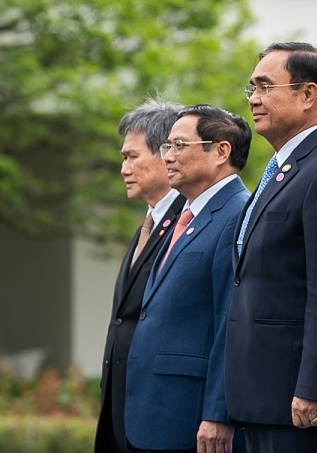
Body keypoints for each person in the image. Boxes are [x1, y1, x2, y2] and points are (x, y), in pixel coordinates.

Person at [226, 42, 317, 453]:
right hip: (256, 393)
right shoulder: (280, 169)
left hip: (291, 398)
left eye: (266, 87)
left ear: (308, 95)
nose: (254, 99)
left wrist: (310, 386)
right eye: (251, 88)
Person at [125, 105, 251, 452]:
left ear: (220, 151)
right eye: (167, 147)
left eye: (180, 146)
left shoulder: (237, 213)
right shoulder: (188, 213)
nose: (168, 157)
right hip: (159, 411)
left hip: (193, 416)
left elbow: (230, 321)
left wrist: (217, 413)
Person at [96, 100, 187, 453]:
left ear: (167, 155)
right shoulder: (148, 224)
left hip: (161, 417)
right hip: (122, 412)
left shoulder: (189, 221)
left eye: (132, 157)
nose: (124, 168)